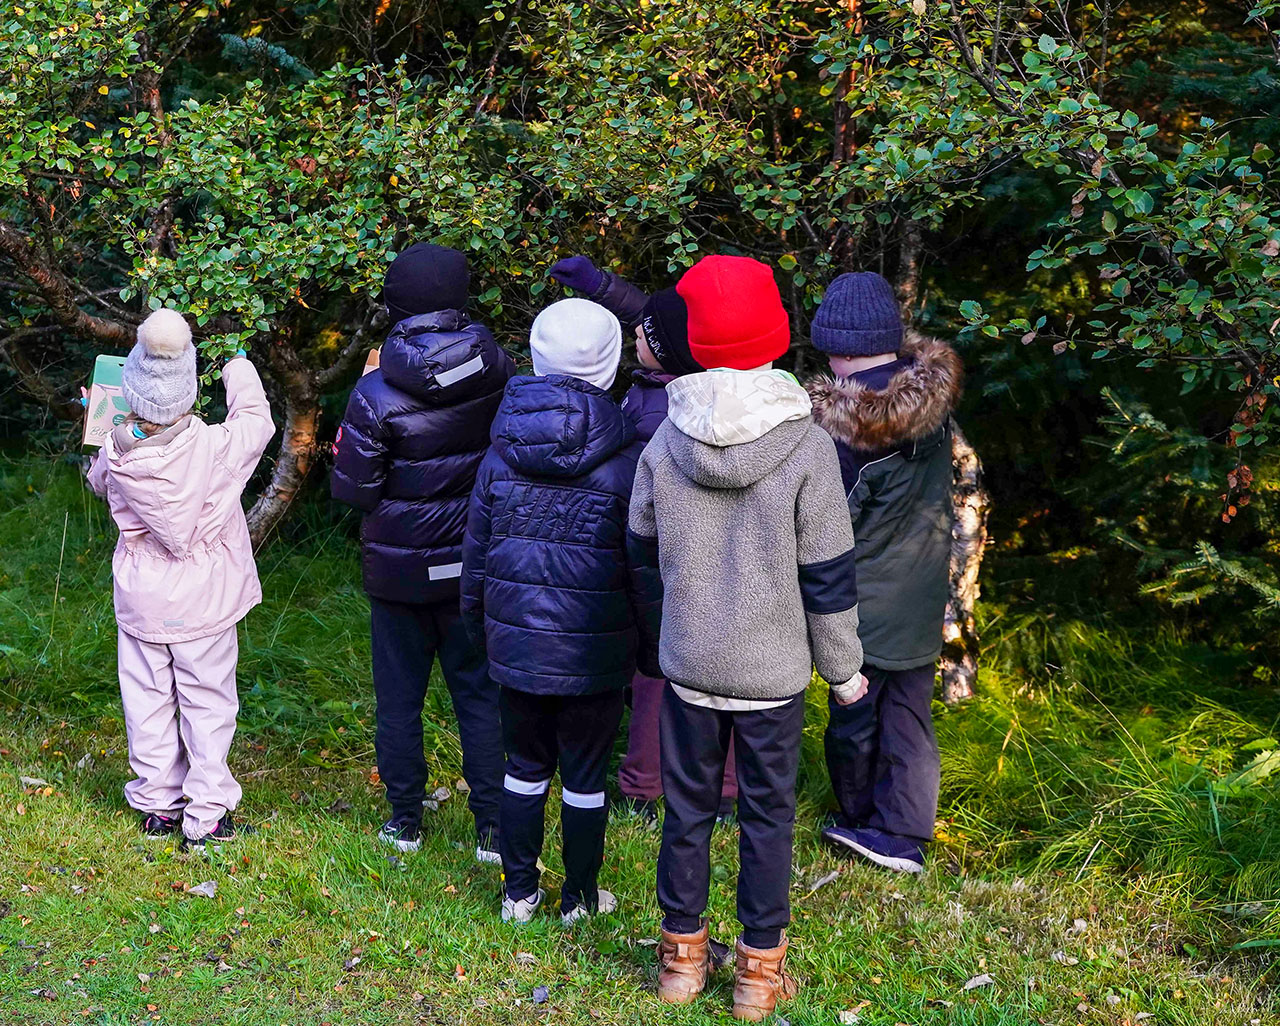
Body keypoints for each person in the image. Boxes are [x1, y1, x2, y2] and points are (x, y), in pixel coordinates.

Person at [627, 255, 866, 1021]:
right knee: (767, 819)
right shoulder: (808, 447)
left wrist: (660, 635)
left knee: (687, 813)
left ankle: (680, 963)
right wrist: (846, 669)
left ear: (695, 340)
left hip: (690, 661)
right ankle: (758, 978)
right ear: (777, 335)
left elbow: (641, 553)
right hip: (773, 673)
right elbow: (828, 575)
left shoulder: (666, 440)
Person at [461, 298, 643, 925]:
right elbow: (641, 569)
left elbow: (476, 558)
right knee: (587, 776)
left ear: (535, 358)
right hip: (595, 652)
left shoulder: (499, 453)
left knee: (524, 767)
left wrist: (481, 633)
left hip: (516, 646)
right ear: (612, 364)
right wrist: (642, 648)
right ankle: (580, 899)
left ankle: (518, 893)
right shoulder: (625, 461)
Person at [331, 243, 514, 862]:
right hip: (475, 563)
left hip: (402, 571)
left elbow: (352, 489)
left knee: (400, 698)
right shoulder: (502, 369)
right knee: (480, 696)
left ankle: (405, 820)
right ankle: (492, 826)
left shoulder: (376, 391)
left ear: (397, 305)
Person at [549, 255, 737, 823]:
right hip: (719, 562)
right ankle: (725, 788)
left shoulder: (657, 411)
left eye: (641, 333)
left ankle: (644, 784)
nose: (633, 333)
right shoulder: (699, 379)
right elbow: (663, 319)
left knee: (655, 674)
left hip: (662, 561)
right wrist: (604, 287)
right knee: (717, 673)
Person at [86, 308, 275, 848]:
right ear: (190, 392)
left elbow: (99, 482)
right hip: (206, 601)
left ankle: (157, 805)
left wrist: (108, 425)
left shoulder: (116, 453)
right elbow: (258, 421)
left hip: (143, 597)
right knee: (208, 702)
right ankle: (207, 814)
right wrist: (237, 366)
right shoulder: (219, 448)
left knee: (146, 699)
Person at [805, 271, 963, 874]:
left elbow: (825, 521)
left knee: (854, 709)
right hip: (920, 587)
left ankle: (861, 818)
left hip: (864, 595)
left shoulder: (846, 428)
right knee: (909, 710)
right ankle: (906, 830)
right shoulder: (927, 400)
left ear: (835, 346)